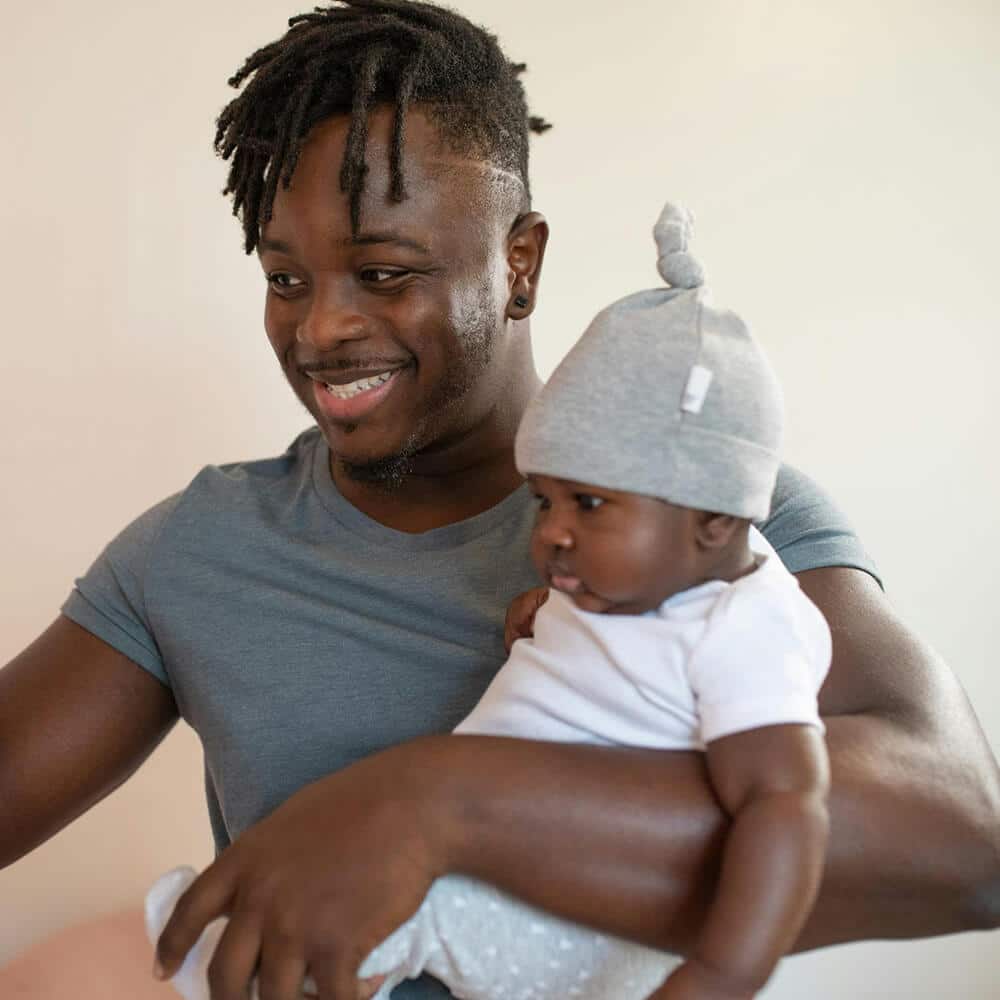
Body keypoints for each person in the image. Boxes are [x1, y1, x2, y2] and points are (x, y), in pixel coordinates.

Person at [0, 3, 997, 1000]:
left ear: (519, 261)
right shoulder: (198, 549)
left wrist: (438, 803)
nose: (319, 330)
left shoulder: (707, 513)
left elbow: (962, 842)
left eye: (382, 271)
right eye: (284, 277)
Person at [146, 200, 833, 1000]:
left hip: (567, 916)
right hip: (488, 874)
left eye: (590, 505)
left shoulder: (749, 629)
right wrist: (548, 620)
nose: (552, 535)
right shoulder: (638, 584)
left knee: (340, 928)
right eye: (546, 501)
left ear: (716, 516)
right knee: (342, 917)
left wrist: (722, 972)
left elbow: (786, 806)